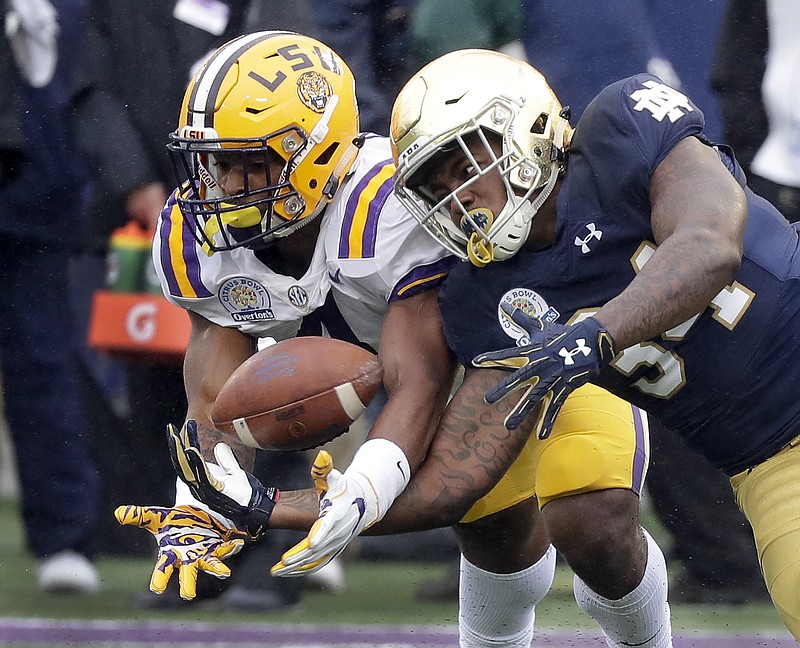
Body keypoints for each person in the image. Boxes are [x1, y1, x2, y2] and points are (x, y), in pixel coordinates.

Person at [115, 31, 673, 648]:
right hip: (455, 377)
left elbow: (422, 381)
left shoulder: (385, 209)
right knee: (497, 544)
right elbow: (219, 400)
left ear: (318, 151)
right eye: (219, 164)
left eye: (254, 163)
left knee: (593, 523)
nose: (229, 188)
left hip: (537, 335)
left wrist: (361, 492)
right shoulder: (200, 240)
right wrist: (205, 502)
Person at [384, 48, 800, 637]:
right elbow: (455, 482)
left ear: (522, 128)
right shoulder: (483, 300)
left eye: (465, 164)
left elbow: (709, 245)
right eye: (437, 184)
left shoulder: (621, 127)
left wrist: (595, 335)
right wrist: (276, 508)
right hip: (773, 460)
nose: (460, 197)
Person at [0, 0, 100, 593]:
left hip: (35, 191)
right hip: (41, 185)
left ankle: (63, 537)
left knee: (42, 366)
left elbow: (87, 76)